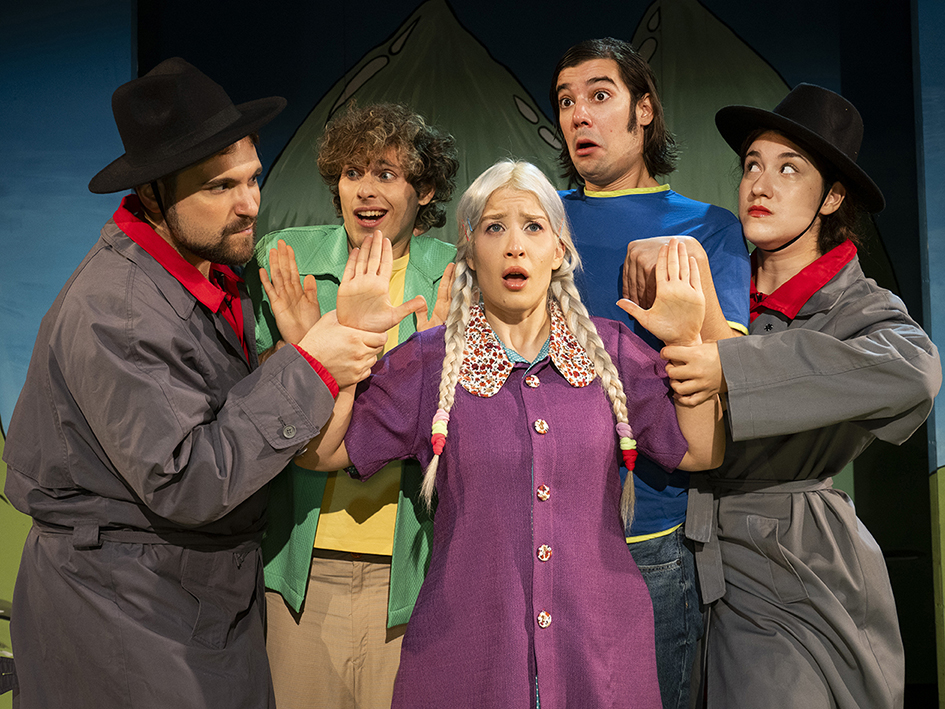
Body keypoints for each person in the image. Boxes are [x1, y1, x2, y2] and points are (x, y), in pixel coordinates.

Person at [2, 58, 420, 709]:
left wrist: (295, 346)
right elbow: (189, 479)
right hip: (125, 610)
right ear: (153, 197)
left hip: (191, 596)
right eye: (219, 187)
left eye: (252, 178)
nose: (250, 204)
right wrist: (312, 364)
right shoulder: (120, 308)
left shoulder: (208, 273)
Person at [292, 161, 725, 708]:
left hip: (600, 657)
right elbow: (320, 451)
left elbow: (702, 452)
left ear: (559, 249)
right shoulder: (429, 362)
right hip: (471, 660)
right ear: (470, 250)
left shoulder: (610, 351)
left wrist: (687, 340)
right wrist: (351, 338)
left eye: (533, 227)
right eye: (495, 227)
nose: (515, 246)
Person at [662, 84, 941, 707]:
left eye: (789, 169)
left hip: (794, 561)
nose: (760, 185)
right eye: (752, 165)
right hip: (682, 554)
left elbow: (915, 370)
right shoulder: (710, 283)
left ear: (832, 197)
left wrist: (731, 365)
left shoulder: (858, 304)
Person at [549, 37, 749, 708]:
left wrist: (684, 270)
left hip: (649, 536)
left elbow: (729, 370)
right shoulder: (533, 224)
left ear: (643, 110)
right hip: (537, 530)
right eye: (566, 101)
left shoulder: (707, 228)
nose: (579, 115)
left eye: (599, 96)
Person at [245, 102, 458, 709]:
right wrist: (304, 349)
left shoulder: (454, 275)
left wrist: (431, 360)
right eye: (352, 172)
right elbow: (253, 405)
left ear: (425, 190)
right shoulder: (288, 261)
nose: (365, 190)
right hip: (302, 572)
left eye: (386, 173)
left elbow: (464, 427)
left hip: (413, 571)